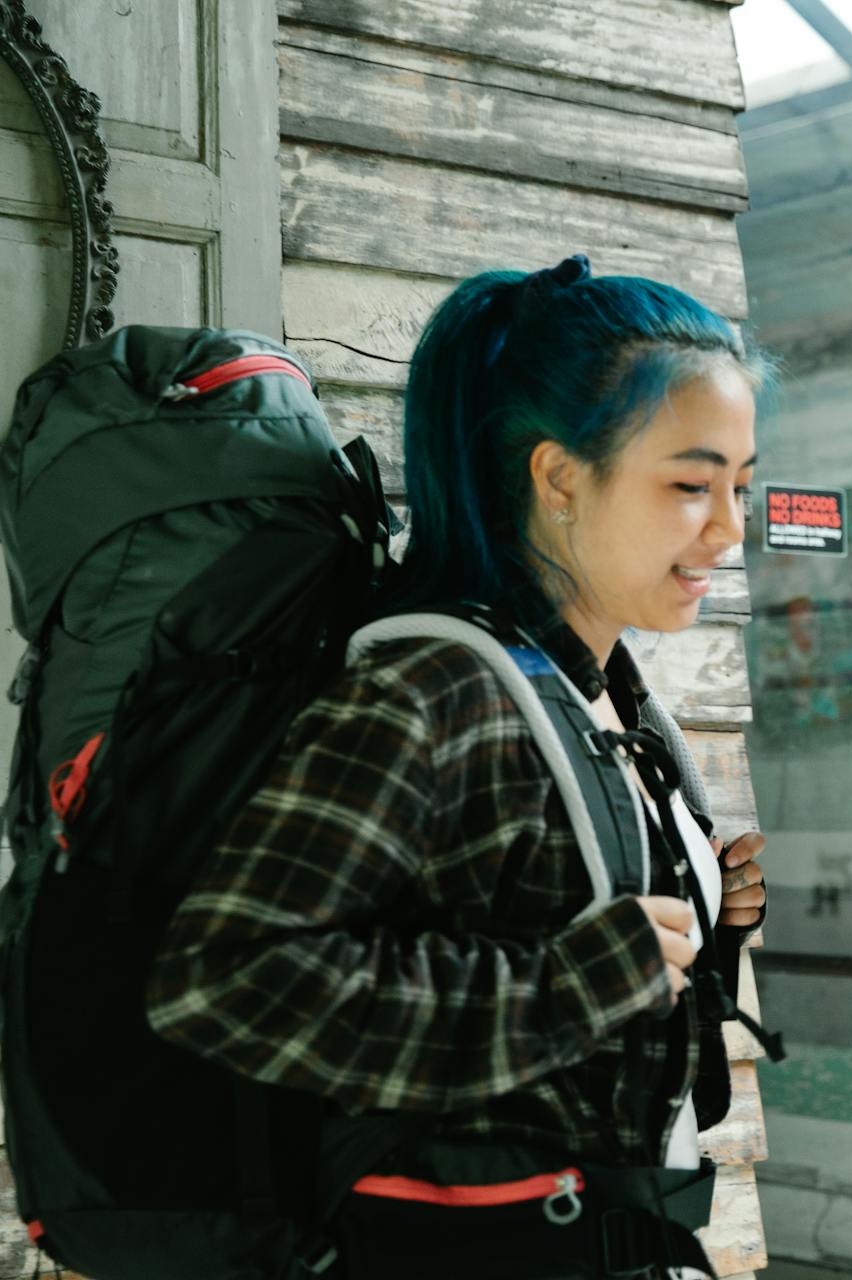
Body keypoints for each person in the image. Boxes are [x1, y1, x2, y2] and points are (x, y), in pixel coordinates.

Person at [144, 255, 772, 1277]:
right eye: (693, 484)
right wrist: (567, 986)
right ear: (561, 475)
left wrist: (710, 910)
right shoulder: (433, 688)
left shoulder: (610, 691)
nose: (730, 528)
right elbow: (222, 978)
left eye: (741, 486)